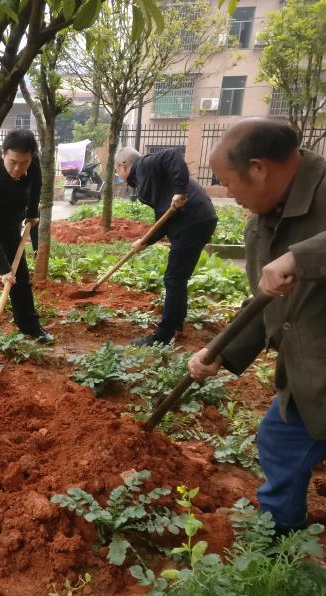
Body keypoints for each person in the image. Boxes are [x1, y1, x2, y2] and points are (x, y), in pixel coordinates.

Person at [188, 118, 326, 535]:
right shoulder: (261, 225)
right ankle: (280, 541)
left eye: (228, 183)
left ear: (259, 168)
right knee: (280, 442)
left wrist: (301, 258)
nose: (228, 193)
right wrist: (220, 350)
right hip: (310, 374)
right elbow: (266, 303)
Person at [114, 146, 218, 346]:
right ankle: (176, 324)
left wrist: (179, 191)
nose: (118, 174)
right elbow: (164, 218)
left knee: (173, 278)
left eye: (116, 170)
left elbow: (172, 155)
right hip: (195, 219)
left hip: (192, 220)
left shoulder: (144, 165)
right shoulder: (146, 179)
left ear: (123, 165)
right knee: (177, 278)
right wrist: (145, 241)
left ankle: (163, 335)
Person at [0, 129, 53, 352]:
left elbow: (36, 183)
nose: (18, 168)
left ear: (31, 158)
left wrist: (32, 212)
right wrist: (4, 269)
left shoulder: (32, 165)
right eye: (13, 162)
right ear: (4, 154)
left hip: (10, 225)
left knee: (21, 279)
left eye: (24, 163)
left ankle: (30, 326)